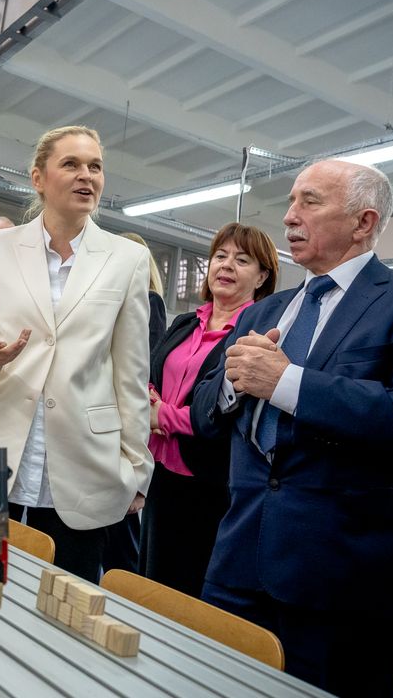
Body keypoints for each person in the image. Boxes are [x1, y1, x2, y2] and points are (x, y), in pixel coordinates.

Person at [192, 160, 393, 697]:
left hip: (346, 575)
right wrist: (235, 384)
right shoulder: (264, 311)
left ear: (363, 222)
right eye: (291, 202)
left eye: (309, 202)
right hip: (240, 557)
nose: (290, 216)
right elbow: (204, 414)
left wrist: (285, 382)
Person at [0, 125, 152, 582]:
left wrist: (138, 470)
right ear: (38, 178)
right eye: (72, 164)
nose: (87, 176)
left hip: (86, 463)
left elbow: (131, 374)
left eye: (95, 166)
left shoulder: (126, 260)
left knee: (65, 606)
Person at [139, 222, 278, 598]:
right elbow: (151, 371)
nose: (227, 266)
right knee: (151, 586)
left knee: (187, 595)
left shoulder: (255, 336)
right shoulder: (186, 322)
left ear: (262, 276)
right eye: (221, 256)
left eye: (242, 260)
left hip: (210, 483)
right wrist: (152, 400)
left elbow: (227, 413)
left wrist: (162, 417)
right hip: (161, 474)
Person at [100, 230, 167, 575]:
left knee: (121, 536)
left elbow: (141, 369)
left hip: (119, 422)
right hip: (95, 423)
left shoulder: (149, 300)